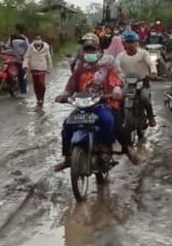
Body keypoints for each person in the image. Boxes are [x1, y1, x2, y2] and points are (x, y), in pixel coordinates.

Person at [53, 33, 139, 171]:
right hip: (83, 105)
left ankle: (114, 147)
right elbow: (71, 86)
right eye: (87, 50)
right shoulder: (79, 68)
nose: (89, 53)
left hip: (102, 103)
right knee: (67, 124)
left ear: (98, 50)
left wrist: (116, 89)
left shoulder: (106, 66)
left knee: (108, 121)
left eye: (92, 50)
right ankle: (68, 157)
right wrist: (64, 94)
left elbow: (115, 81)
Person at [116, 29, 160, 127]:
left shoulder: (143, 53)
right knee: (121, 98)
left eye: (132, 42)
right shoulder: (120, 56)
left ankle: (150, 116)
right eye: (128, 42)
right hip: (127, 83)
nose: (130, 45)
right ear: (124, 44)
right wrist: (119, 78)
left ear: (136, 42)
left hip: (143, 82)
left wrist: (153, 72)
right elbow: (117, 68)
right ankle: (120, 119)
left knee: (145, 97)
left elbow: (151, 63)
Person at [22, 34, 55, 106]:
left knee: (41, 83)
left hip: (42, 67)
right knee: (36, 84)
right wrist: (25, 65)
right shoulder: (30, 47)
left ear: (41, 40)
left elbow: (48, 57)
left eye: (39, 39)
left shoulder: (46, 47)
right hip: (34, 67)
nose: (38, 40)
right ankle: (38, 99)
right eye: (36, 39)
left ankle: (42, 98)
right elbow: (27, 56)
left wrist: (50, 67)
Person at [7, 25, 31, 95]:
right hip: (13, 58)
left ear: (20, 30)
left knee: (21, 74)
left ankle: (23, 90)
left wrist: (25, 56)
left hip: (21, 59)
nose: (15, 30)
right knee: (12, 73)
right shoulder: (11, 37)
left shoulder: (24, 38)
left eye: (16, 29)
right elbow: (8, 46)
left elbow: (27, 48)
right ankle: (13, 88)